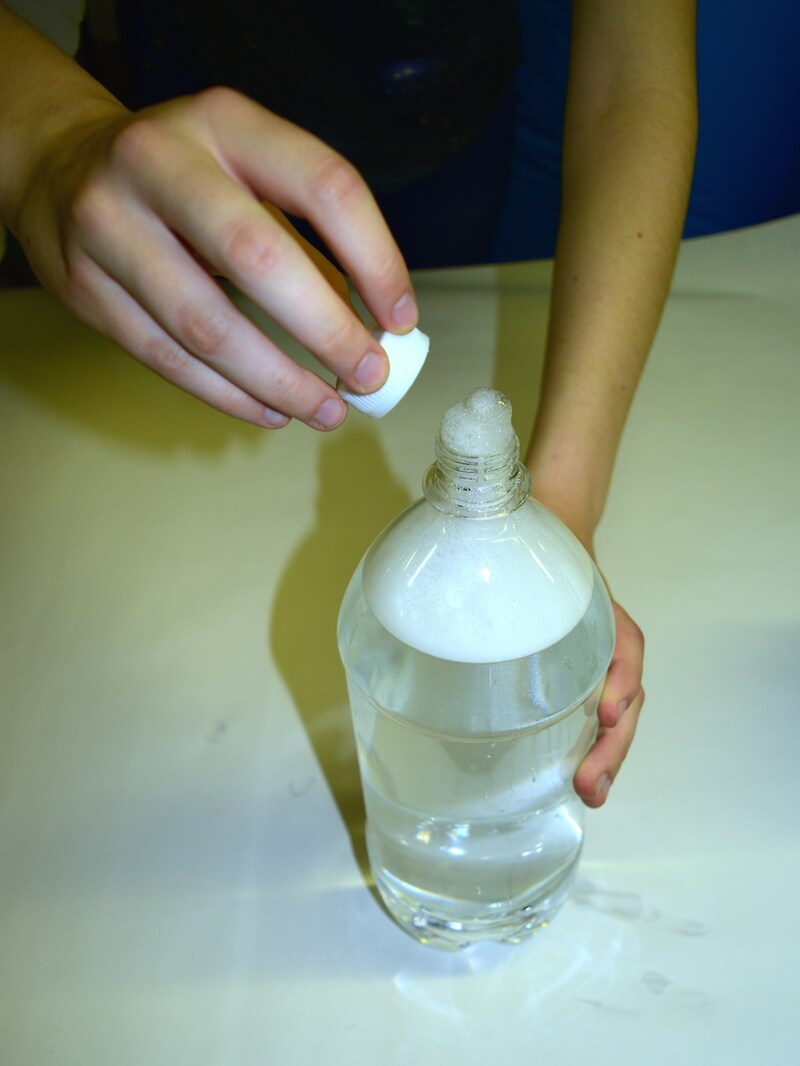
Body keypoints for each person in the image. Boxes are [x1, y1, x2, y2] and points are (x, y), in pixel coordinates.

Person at [0, 0, 699, 807]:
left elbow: (632, 75)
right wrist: (49, 137)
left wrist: (561, 514)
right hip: (147, 167)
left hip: (446, 135)